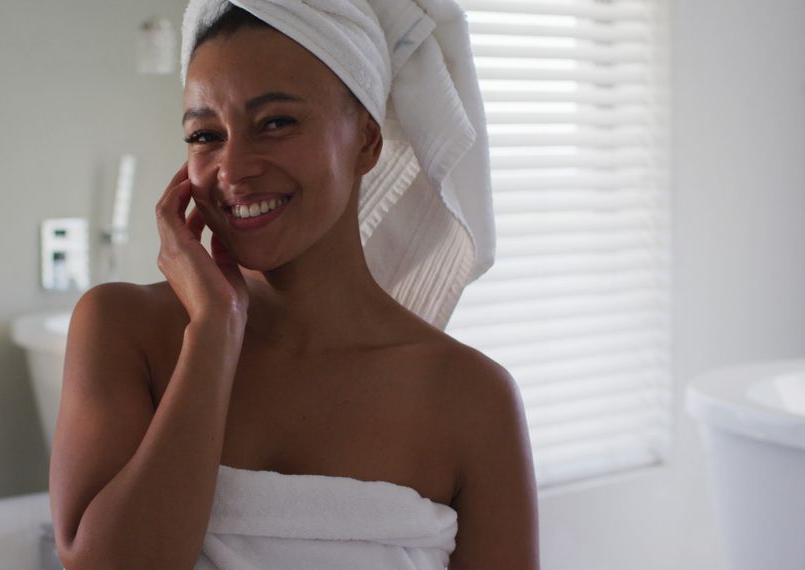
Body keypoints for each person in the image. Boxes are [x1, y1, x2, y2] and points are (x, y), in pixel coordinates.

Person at [49, 2, 538, 569]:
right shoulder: (122, 329)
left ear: (367, 142)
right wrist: (212, 334)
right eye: (206, 133)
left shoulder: (472, 399)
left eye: (275, 122)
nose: (231, 169)